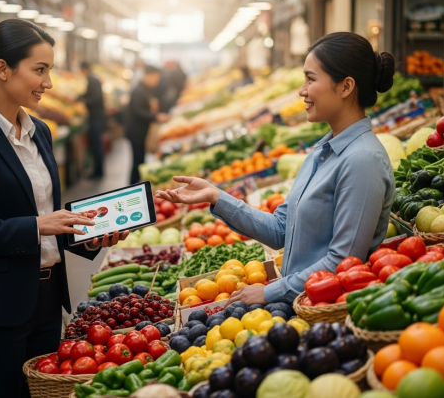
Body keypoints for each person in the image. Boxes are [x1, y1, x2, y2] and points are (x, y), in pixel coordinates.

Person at [0, 19, 128, 397]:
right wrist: (36, 226)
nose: (48, 83)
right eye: (39, 70)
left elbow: (50, 228)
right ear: (2, 69)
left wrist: (91, 236)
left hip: (47, 304)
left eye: (49, 70)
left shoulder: (41, 132)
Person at [156, 32, 396, 305]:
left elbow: (343, 263)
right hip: (297, 302)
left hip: (322, 315)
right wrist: (216, 196)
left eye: (311, 79)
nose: (302, 90)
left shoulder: (363, 161)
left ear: (345, 87)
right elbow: (281, 229)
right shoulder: (321, 152)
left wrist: (270, 292)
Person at [127, 65, 168, 184]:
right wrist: (155, 116)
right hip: (136, 132)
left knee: (140, 159)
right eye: (156, 78)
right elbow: (138, 111)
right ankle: (134, 186)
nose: (157, 81)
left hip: (140, 130)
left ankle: (137, 184)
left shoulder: (145, 89)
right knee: (137, 161)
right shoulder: (138, 90)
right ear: (148, 75)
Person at [79, 62, 107, 179]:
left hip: (96, 116)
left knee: (96, 144)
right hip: (96, 116)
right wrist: (80, 97)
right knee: (95, 144)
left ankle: (98, 171)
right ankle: (98, 170)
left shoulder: (92, 80)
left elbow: (95, 98)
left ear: (84, 69)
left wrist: (84, 101)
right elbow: (90, 94)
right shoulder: (93, 79)